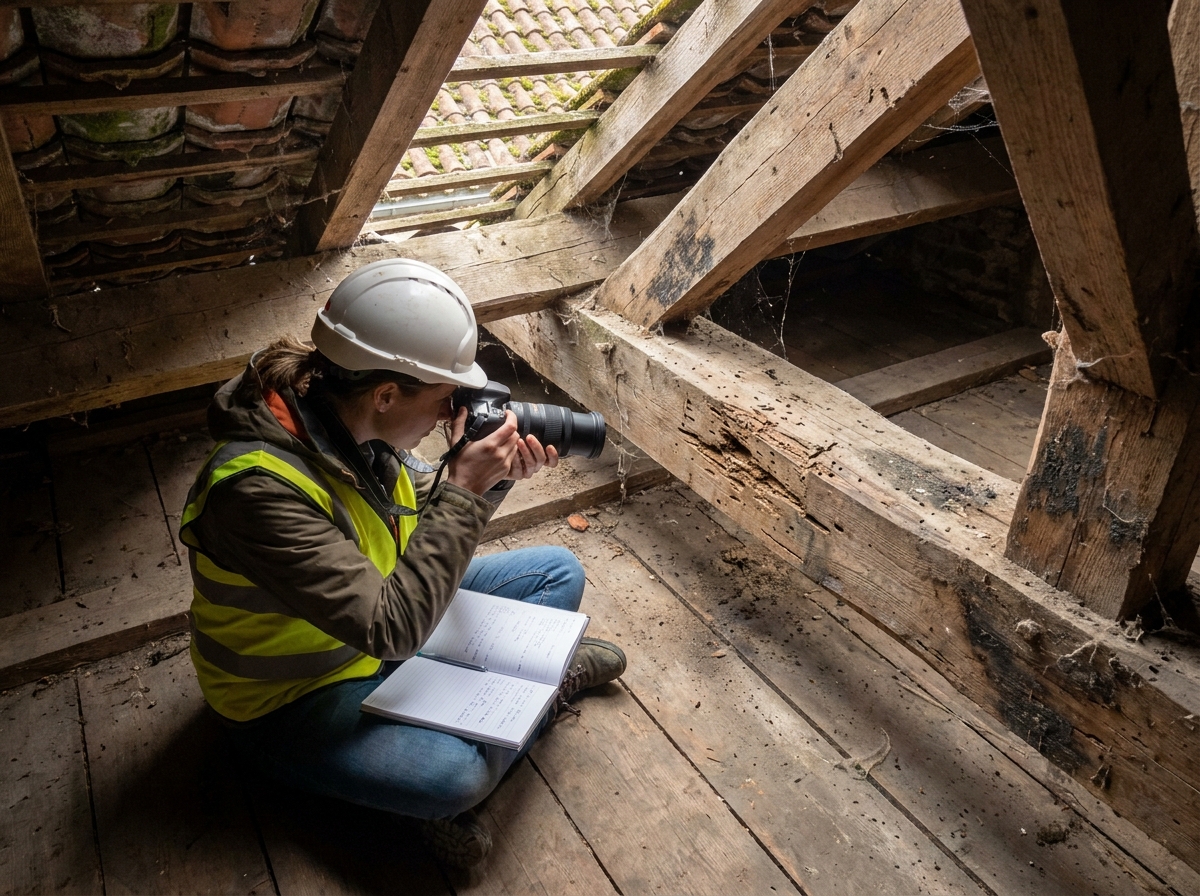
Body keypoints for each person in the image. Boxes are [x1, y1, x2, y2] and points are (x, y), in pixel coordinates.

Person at [179, 258, 626, 869]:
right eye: (446, 400)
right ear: (386, 393)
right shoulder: (254, 491)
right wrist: (465, 490)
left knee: (557, 572)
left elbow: (421, 529)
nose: (451, 416)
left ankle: (476, 715)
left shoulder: (352, 421)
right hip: (294, 695)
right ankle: (533, 701)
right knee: (453, 779)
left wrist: (488, 482)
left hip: (384, 611)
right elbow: (391, 629)